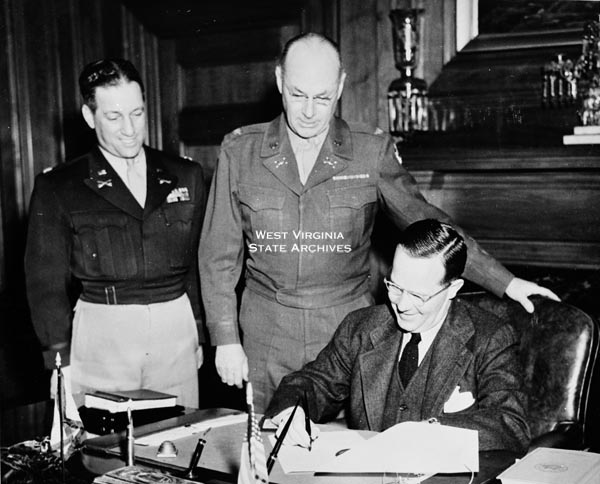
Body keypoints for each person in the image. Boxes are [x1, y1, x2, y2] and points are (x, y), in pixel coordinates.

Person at [199, 32, 558, 412]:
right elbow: (217, 255)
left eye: (322, 98)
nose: (308, 111)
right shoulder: (240, 152)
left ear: (340, 86)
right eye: (297, 94)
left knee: (347, 457)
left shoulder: (370, 151)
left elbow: (430, 223)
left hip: (346, 330)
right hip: (265, 332)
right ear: (278, 82)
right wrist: (225, 338)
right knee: (270, 451)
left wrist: (506, 281)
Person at [25, 59, 207, 408]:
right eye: (114, 117)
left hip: (176, 331)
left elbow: (199, 266)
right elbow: (44, 282)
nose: (129, 129)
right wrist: (58, 358)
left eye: (137, 114)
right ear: (89, 117)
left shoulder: (185, 175)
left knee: (176, 444)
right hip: (102, 333)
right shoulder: (59, 186)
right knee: (101, 452)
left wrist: (198, 332)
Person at [265, 219, 530, 453]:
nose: (401, 304)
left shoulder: (490, 337)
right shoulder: (361, 327)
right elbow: (313, 383)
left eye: (418, 295)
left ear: (452, 289)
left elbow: (510, 424)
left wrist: (433, 433)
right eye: (395, 286)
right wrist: (291, 411)